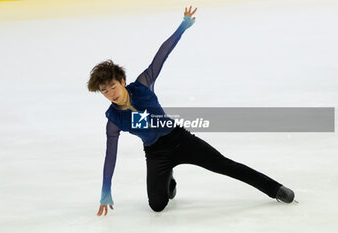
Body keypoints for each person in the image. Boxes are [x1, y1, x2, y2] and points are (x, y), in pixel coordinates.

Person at [87, 6, 295, 216]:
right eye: (104, 91)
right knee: (157, 205)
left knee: (224, 164)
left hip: (180, 139)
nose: (110, 93)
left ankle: (275, 189)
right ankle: (170, 181)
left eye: (113, 86)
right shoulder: (113, 120)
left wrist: (182, 27)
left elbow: (162, 54)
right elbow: (110, 155)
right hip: (156, 153)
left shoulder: (143, 84)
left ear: (122, 81)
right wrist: (106, 189)